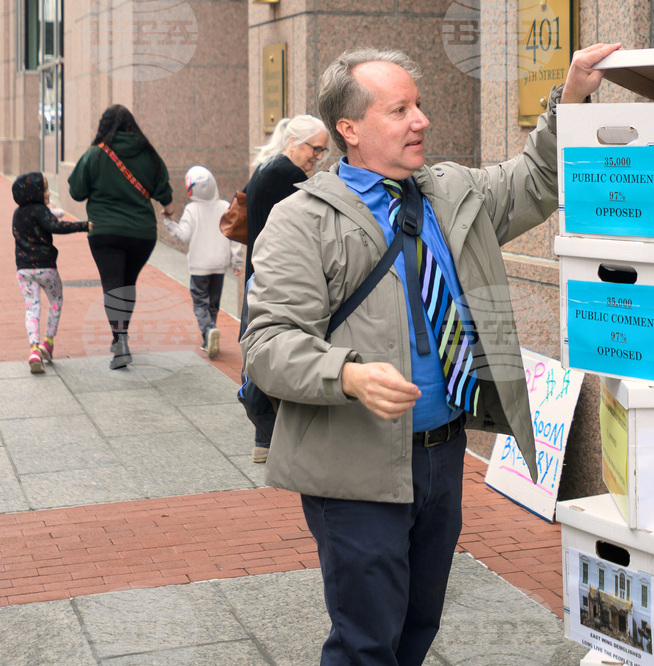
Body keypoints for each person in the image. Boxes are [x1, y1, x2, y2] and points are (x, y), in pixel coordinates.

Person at [241, 43, 620, 665]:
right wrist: (347, 374)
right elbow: (267, 341)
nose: (421, 120)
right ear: (349, 129)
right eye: (399, 110)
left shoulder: (452, 193)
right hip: (353, 465)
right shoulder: (301, 219)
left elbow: (539, 177)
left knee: (418, 624)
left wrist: (573, 95)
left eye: (418, 105)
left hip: (443, 453)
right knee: (367, 639)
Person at [243, 113, 329, 463]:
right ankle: (265, 425)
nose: (317, 157)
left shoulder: (266, 167)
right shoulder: (286, 175)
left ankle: (265, 439)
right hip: (278, 276)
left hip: (259, 273)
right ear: (293, 141)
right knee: (274, 355)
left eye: (322, 151)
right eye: (314, 148)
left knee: (264, 349)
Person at [68, 104, 173, 369]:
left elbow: (76, 192)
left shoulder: (96, 154)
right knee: (127, 282)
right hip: (142, 233)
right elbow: (164, 191)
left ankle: (120, 339)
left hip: (105, 232)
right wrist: (169, 209)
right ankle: (121, 336)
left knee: (113, 283)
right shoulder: (148, 153)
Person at [11, 172, 91, 373]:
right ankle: (48, 343)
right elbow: (55, 226)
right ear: (35, 192)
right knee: (56, 301)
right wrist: (83, 225)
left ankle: (34, 350)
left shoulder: (17, 214)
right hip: (46, 268)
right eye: (45, 189)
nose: (48, 192)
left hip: (24, 270)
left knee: (32, 307)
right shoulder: (41, 211)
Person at [163, 166, 242, 359]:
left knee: (200, 303)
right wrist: (237, 261)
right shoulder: (225, 206)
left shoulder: (192, 209)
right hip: (220, 264)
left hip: (199, 265)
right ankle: (209, 337)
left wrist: (169, 222)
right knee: (213, 303)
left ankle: (208, 330)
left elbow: (184, 235)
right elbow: (233, 236)